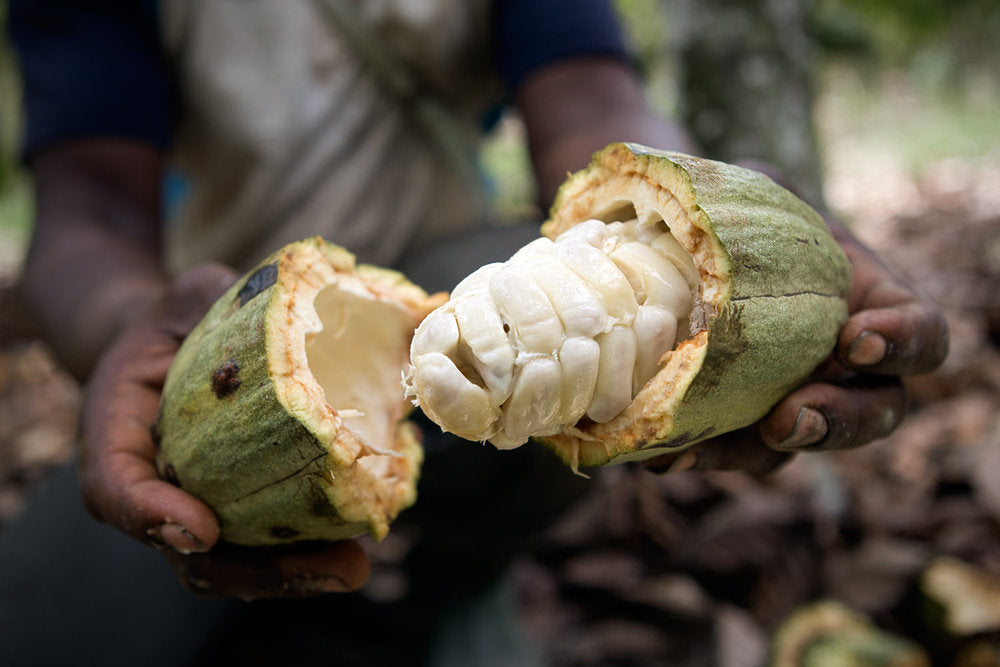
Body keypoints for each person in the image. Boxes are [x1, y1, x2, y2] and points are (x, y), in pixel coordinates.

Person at [2, 0, 948, 664]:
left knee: (535, 371)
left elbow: (592, 107)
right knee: (45, 632)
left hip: (460, 271)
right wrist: (136, 324)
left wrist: (720, 209)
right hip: (213, 326)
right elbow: (83, 215)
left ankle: (447, 576)